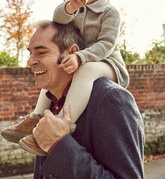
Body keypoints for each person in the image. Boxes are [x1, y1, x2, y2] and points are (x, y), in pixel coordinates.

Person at [1, 0, 130, 155]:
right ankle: (36, 117)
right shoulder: (71, 10)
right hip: (79, 60)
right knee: (53, 70)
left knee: (86, 70)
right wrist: (71, 6)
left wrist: (81, 56)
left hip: (108, 64)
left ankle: (61, 124)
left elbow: (107, 44)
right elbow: (57, 19)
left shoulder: (110, 12)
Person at [22, 20, 144, 178]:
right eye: (29, 53)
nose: (30, 62)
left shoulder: (112, 99)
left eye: (41, 52)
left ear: (72, 52)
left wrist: (58, 144)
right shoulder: (52, 100)